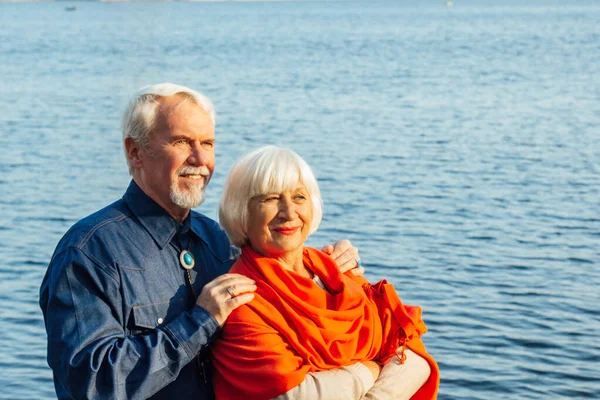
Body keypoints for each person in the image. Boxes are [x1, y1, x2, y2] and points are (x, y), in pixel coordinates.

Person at [39, 83, 361, 400]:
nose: (199, 159)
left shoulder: (222, 242)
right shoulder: (88, 253)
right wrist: (200, 322)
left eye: (207, 143)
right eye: (181, 142)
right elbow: (92, 384)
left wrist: (322, 272)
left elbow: (284, 304)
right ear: (135, 151)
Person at [211, 146, 440, 400]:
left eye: (299, 197)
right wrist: (371, 368)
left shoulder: (338, 274)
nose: (289, 213)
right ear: (241, 212)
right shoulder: (243, 300)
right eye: (270, 198)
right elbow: (292, 394)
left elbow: (413, 352)